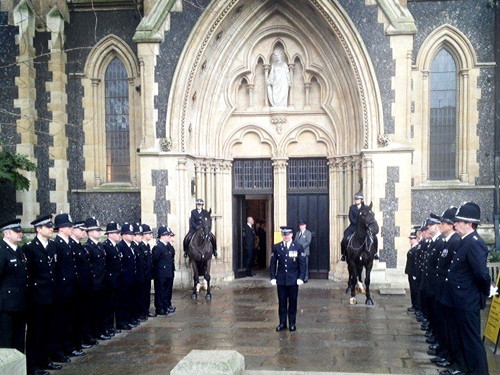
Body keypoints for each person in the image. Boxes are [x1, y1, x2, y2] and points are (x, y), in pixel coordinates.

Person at [439, 202, 492, 375]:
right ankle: (464, 368)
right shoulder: (464, 241)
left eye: (459, 221)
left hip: (467, 301)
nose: (455, 224)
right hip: (458, 300)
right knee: (462, 338)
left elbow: (482, 275)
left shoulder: (474, 243)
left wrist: (484, 292)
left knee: (471, 341)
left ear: (469, 224)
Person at [23, 214, 58, 375]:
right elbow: (28, 275)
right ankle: (33, 365)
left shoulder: (51, 246)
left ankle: (45, 359)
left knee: (49, 329)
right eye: (48, 227)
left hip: (50, 294)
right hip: (36, 296)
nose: (52, 229)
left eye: (51, 227)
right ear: (38, 229)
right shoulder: (30, 249)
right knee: (35, 332)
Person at [51, 213, 83, 363]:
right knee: (60, 321)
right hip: (62, 289)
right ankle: (60, 349)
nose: (71, 228)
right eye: (69, 226)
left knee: (71, 319)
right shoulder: (56, 244)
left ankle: (68, 346)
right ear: (61, 228)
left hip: (72, 288)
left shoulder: (69, 243)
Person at [269, 226, 306, 332]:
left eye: (288, 234)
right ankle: (282, 323)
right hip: (281, 279)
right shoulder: (277, 247)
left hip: (293, 280)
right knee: (282, 303)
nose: (286, 236)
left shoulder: (298, 247)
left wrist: (301, 277)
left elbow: (302, 264)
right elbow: (273, 264)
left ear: (291, 235)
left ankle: (292, 323)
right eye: (284, 234)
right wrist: (272, 277)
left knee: (293, 303)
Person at [0, 219, 28, 353]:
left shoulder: (19, 251)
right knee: (7, 342)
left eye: (20, 231)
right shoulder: (2, 251)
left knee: (19, 340)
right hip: (6, 306)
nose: (20, 233)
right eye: (16, 231)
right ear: (6, 233)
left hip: (20, 303)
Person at [70, 221, 97, 348]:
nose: (83, 232)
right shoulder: (71, 246)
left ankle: (83, 338)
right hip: (76, 288)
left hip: (84, 287)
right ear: (74, 230)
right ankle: (76, 342)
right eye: (81, 230)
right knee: (75, 317)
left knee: (84, 315)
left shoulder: (79, 246)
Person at [84, 217, 110, 341]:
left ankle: (100, 330)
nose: (99, 232)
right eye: (96, 230)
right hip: (95, 284)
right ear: (89, 232)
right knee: (94, 311)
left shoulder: (100, 246)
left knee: (101, 309)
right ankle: (95, 332)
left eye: (99, 230)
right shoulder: (88, 247)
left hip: (102, 283)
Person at [101, 221, 123, 335]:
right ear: (109, 234)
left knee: (114, 304)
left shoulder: (116, 247)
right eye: (116, 233)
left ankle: (110, 326)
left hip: (116, 280)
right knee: (108, 306)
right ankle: (107, 327)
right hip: (109, 281)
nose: (119, 235)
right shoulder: (106, 246)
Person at [116, 223, 137, 330]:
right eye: (130, 234)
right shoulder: (120, 247)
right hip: (124, 279)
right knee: (123, 301)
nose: (132, 236)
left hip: (131, 278)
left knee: (129, 300)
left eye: (133, 234)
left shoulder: (131, 246)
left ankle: (128, 319)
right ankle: (122, 321)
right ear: (123, 235)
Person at [152, 226, 176, 315]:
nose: (169, 237)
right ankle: (160, 307)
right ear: (161, 236)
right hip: (161, 273)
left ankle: (166, 305)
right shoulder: (158, 247)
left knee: (167, 291)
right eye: (167, 235)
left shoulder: (168, 246)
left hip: (169, 272)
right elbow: (155, 260)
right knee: (160, 291)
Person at [341, 192, 364, 261]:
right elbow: (351, 218)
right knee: (344, 239)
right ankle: (344, 254)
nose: (356, 200)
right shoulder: (352, 207)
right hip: (353, 227)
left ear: (361, 200)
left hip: (362, 228)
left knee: (373, 238)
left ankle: (374, 253)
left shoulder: (365, 208)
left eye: (357, 199)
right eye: (355, 199)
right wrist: (357, 224)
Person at [140, 224, 155, 318]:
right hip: (143, 275)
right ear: (144, 235)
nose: (151, 235)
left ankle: (146, 310)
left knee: (146, 294)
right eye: (149, 233)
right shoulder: (141, 246)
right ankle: (142, 312)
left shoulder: (147, 245)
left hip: (147, 275)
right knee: (142, 294)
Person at [404, 231, 420, 313]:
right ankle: (414, 305)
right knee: (412, 290)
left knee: (415, 290)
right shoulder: (413, 247)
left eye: (412, 238)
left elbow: (416, 262)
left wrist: (415, 274)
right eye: (410, 238)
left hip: (413, 272)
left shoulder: (417, 248)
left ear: (416, 239)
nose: (410, 240)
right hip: (410, 272)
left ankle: (416, 306)